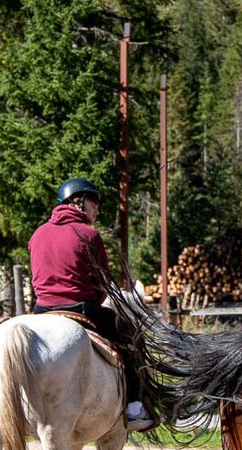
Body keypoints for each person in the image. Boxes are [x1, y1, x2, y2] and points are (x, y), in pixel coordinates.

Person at [28, 178, 155, 432]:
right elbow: (103, 281)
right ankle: (133, 408)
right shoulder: (88, 234)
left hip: (40, 311)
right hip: (81, 309)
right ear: (78, 202)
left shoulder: (38, 234)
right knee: (131, 341)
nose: (96, 210)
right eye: (93, 203)